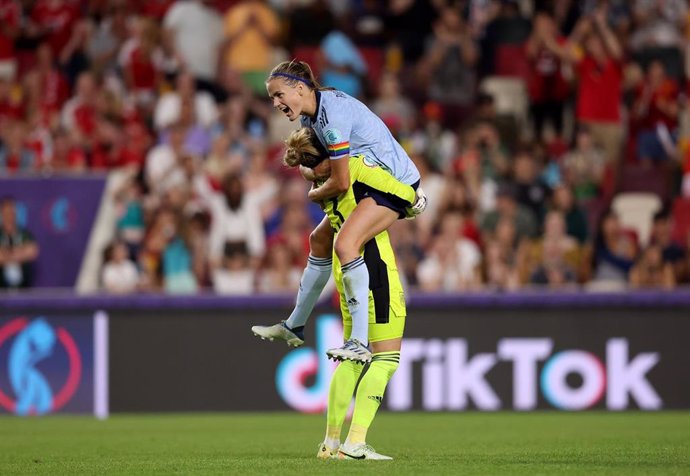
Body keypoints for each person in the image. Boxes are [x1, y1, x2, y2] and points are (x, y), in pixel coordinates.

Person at [254, 127, 411, 460]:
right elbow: (405, 194)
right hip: (374, 266)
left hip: (347, 270)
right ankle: (356, 442)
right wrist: (415, 199)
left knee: (354, 358)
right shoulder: (350, 169)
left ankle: (331, 442)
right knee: (386, 359)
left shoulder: (318, 182)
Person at [261, 60, 426, 363]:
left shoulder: (331, 118)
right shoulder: (312, 119)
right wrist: (315, 174)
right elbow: (326, 168)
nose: (275, 103)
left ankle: (359, 342)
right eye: (272, 97)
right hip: (371, 183)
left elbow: (339, 180)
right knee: (319, 240)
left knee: (346, 245)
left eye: (279, 94)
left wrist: (313, 192)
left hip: (393, 184)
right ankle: (294, 325)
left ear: (300, 88)